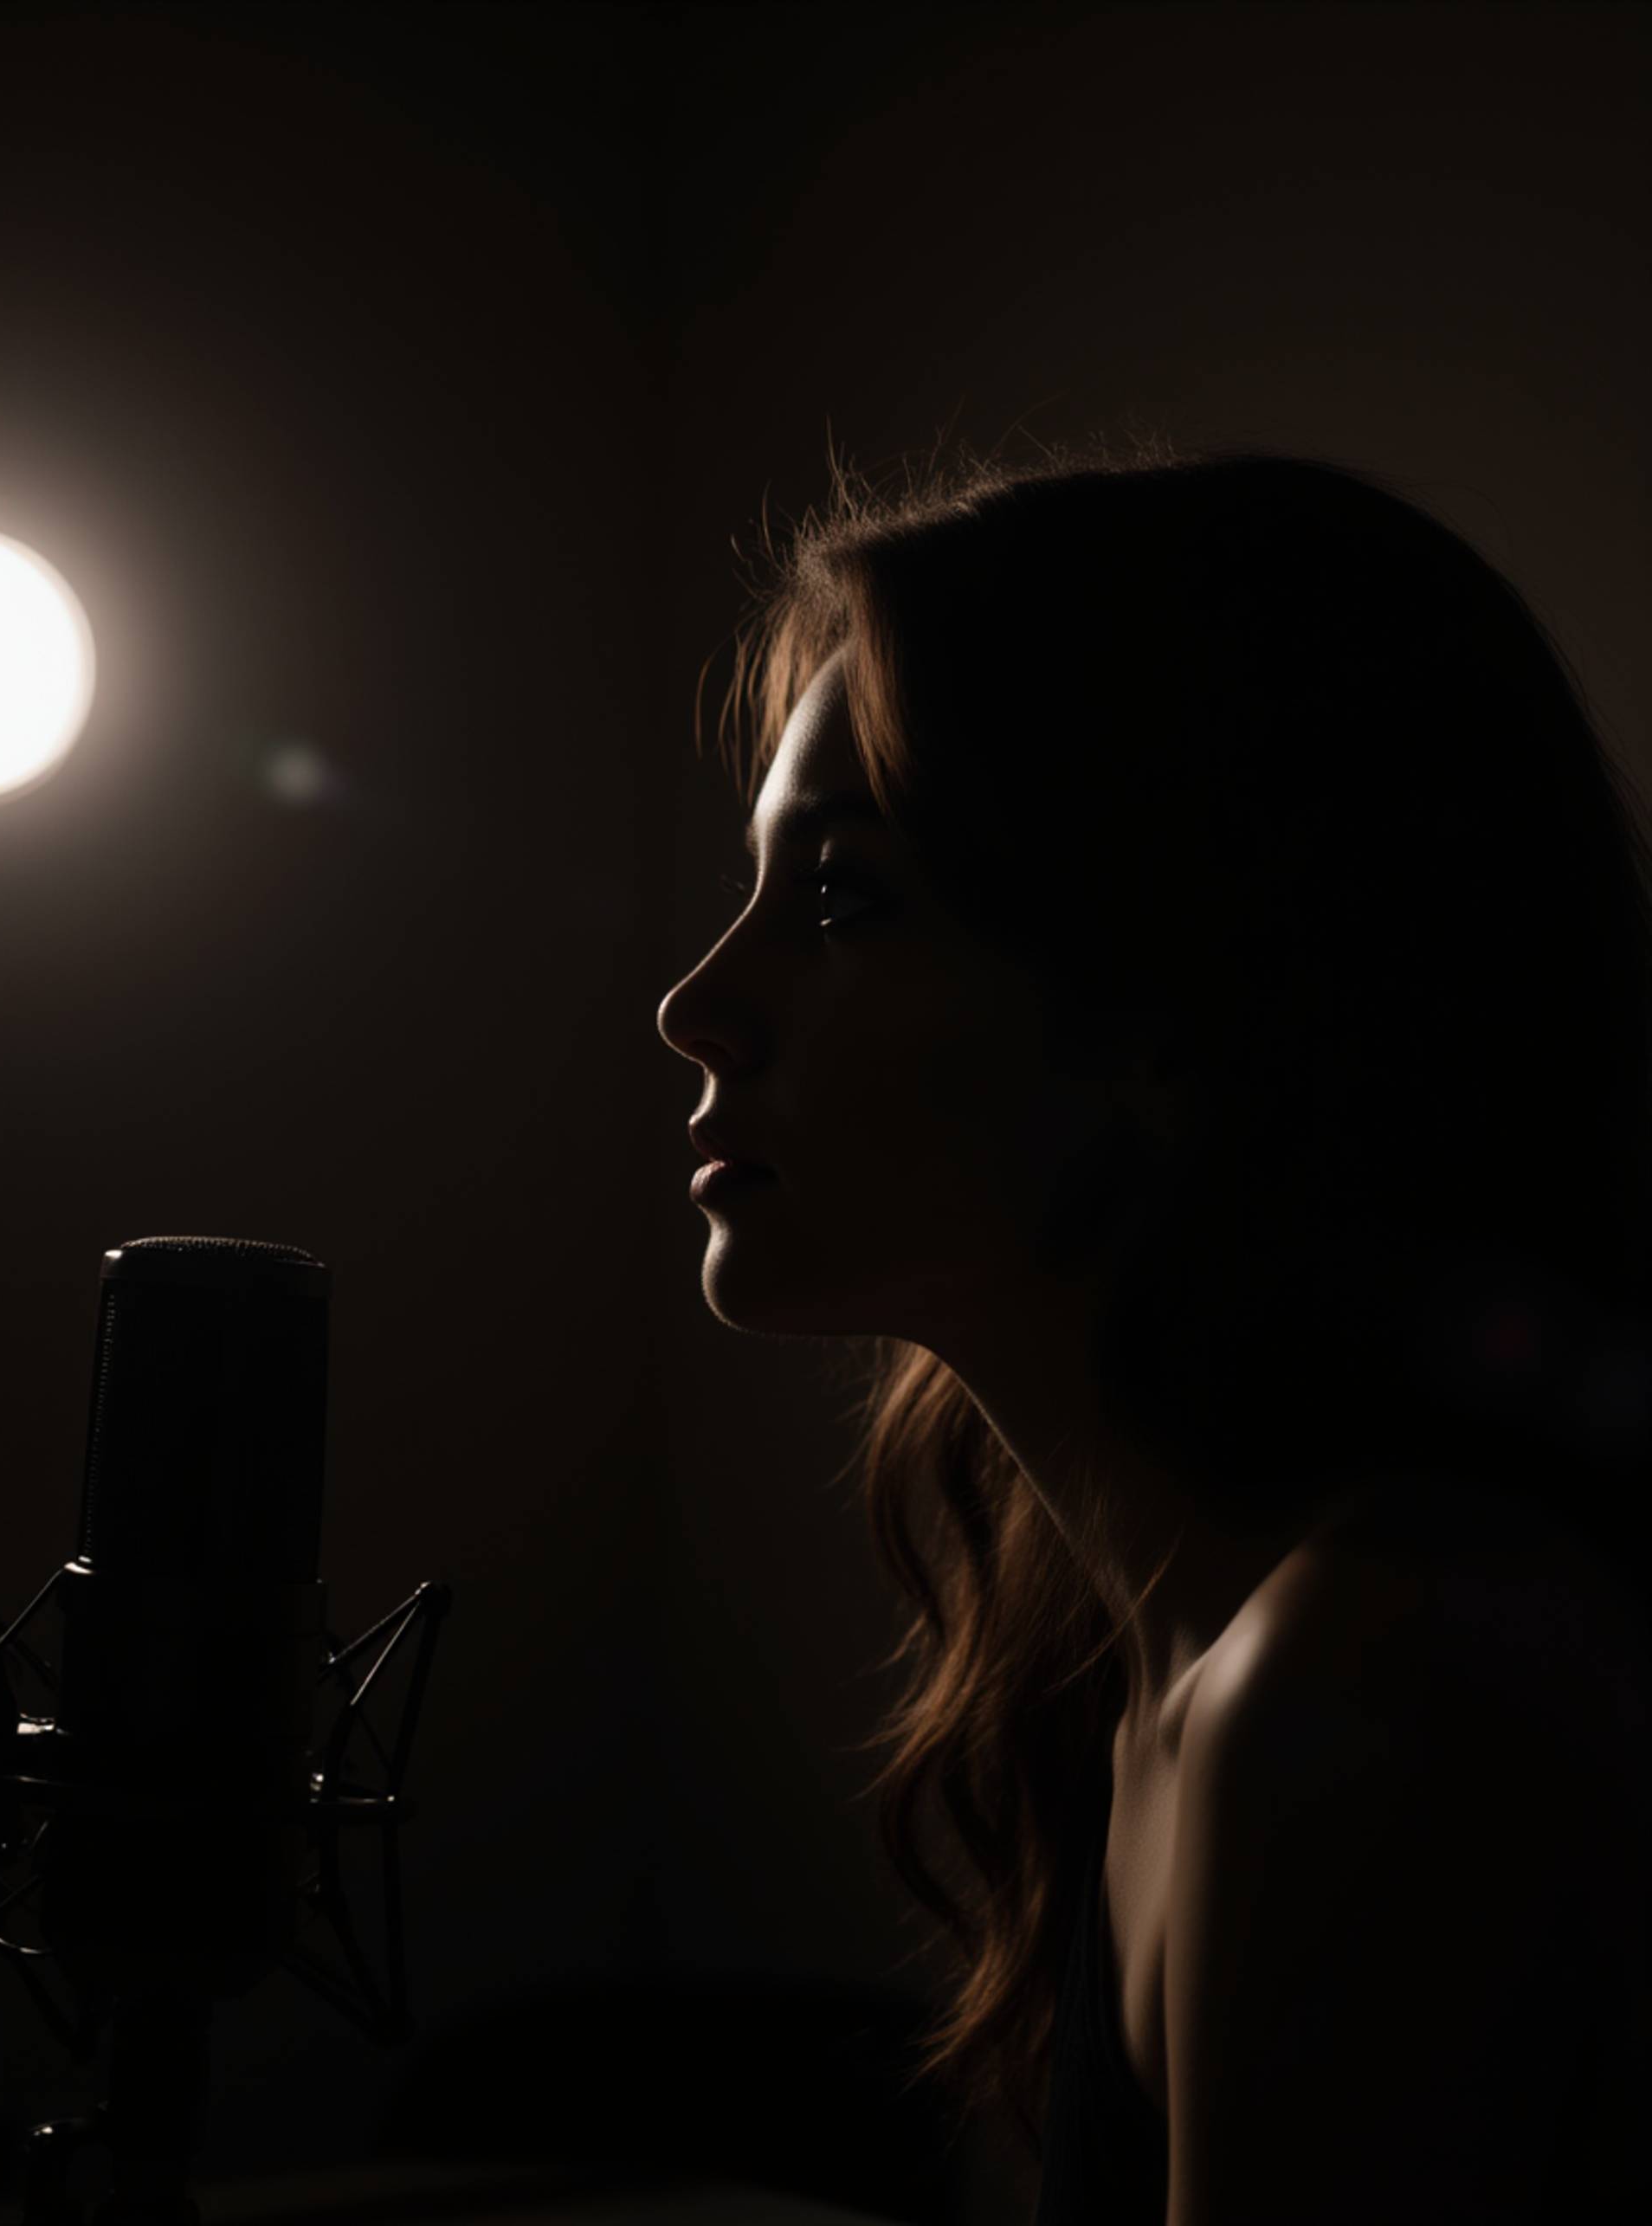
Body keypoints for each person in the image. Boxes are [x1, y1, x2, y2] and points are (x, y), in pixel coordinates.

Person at [655, 437, 1652, 2223]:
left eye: (839, 898)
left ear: (1182, 998)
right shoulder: (1177, 1666)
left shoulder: (1373, 1688)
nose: (697, 1002)